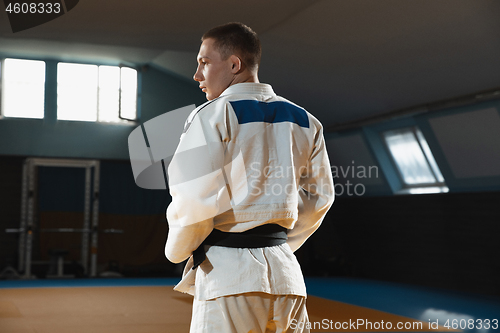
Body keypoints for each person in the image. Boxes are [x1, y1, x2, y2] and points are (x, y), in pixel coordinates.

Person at [164, 22, 334, 333]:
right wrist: (278, 244)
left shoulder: (213, 114)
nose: (197, 75)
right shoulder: (307, 121)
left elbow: (193, 196)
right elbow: (320, 199)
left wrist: (176, 250)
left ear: (234, 64)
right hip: (287, 277)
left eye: (204, 62)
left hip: (229, 277)